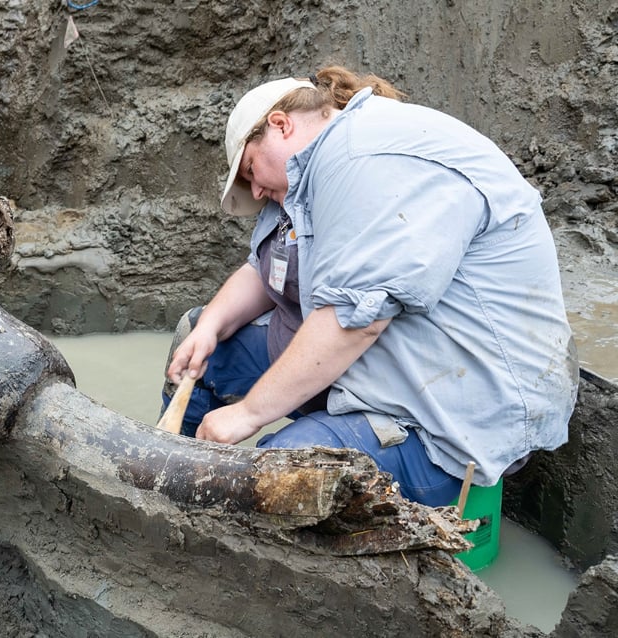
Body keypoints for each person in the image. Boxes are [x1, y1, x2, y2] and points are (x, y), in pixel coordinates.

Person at [163, 66, 578, 506]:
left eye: (250, 171)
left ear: (280, 125)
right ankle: (175, 493)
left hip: (446, 419)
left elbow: (354, 322)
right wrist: (209, 325)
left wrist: (246, 416)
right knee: (206, 356)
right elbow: (265, 271)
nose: (258, 191)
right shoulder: (305, 179)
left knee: (282, 475)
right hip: (375, 372)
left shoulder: (367, 157)